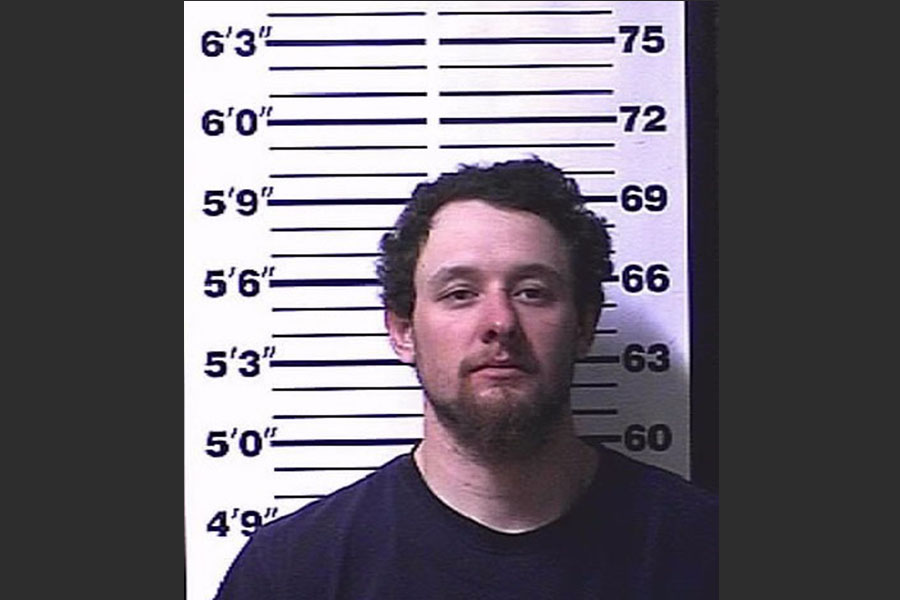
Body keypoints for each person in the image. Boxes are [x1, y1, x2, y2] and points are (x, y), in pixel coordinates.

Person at [213, 158, 717, 599]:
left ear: (584, 326)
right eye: (460, 293)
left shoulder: (704, 549)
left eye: (532, 291)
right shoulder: (292, 573)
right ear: (403, 331)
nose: (500, 322)